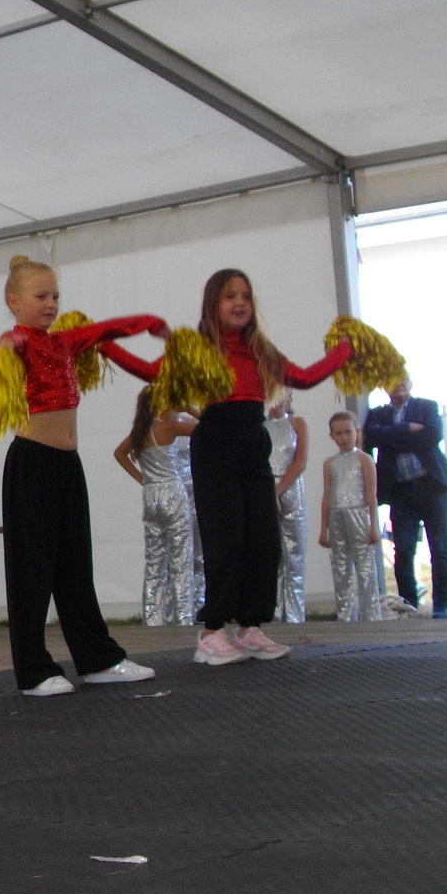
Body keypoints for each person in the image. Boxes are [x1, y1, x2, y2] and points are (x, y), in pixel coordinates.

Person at [103, 269, 351, 664]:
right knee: (226, 540)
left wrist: (345, 349)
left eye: (246, 296)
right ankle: (212, 633)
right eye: (230, 296)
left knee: (264, 539)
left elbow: (303, 377)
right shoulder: (197, 348)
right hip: (216, 441)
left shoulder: (260, 349)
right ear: (213, 304)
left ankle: (251, 627)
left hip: (253, 440)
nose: (240, 303)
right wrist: (105, 346)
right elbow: (153, 372)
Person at [0, 256, 163, 697]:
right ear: (14, 301)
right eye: (41, 296)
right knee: (32, 569)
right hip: (31, 464)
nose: (51, 304)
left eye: (56, 296)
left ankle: (97, 658)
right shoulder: (15, 341)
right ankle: (33, 670)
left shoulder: (63, 342)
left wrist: (149, 322)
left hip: (68, 465)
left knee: (75, 565)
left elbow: (106, 329)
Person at [362, 375, 447, 618]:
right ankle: (409, 607)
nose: (399, 384)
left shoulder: (427, 407)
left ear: (410, 384)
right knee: (403, 551)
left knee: (440, 548)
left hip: (433, 487)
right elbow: (372, 437)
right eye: (393, 380)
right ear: (384, 387)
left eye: (403, 379)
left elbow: (432, 436)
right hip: (401, 492)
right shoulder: (377, 414)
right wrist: (408, 428)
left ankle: (441, 606)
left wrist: (392, 436)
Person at [113, 389, 201, 627]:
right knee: (181, 561)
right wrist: (189, 408)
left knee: (154, 561)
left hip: (151, 495)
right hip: (173, 493)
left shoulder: (139, 432)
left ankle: (152, 619)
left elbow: (119, 453)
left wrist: (142, 478)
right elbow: (208, 427)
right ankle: (183, 619)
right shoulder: (170, 427)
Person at [317, 411, 385, 621]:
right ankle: (345, 615)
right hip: (336, 515)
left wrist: (373, 525)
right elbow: (327, 496)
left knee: (365, 565)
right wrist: (323, 530)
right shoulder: (329, 463)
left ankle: (371, 615)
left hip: (359, 514)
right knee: (340, 565)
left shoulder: (364, 459)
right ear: (332, 436)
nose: (344, 437)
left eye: (348, 432)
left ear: (357, 432)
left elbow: (371, 495)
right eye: (339, 433)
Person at [267, 389, 310, 623]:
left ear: (288, 398)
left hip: (291, 488)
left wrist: (278, 491)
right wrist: (268, 492)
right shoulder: (260, 425)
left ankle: (295, 615)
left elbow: (300, 463)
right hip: (265, 487)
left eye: (281, 395)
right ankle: (271, 612)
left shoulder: (297, 423)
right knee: (270, 553)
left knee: (294, 552)